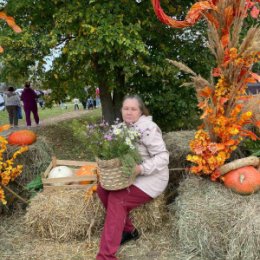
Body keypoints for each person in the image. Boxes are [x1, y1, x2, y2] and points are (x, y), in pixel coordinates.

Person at [96, 95, 169, 260]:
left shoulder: (148, 128)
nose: (128, 112)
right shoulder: (122, 127)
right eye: (125, 108)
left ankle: (105, 256)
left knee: (117, 199)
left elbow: (164, 158)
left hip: (152, 177)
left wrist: (141, 168)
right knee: (102, 189)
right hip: (131, 174)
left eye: (133, 109)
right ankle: (129, 231)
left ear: (140, 111)